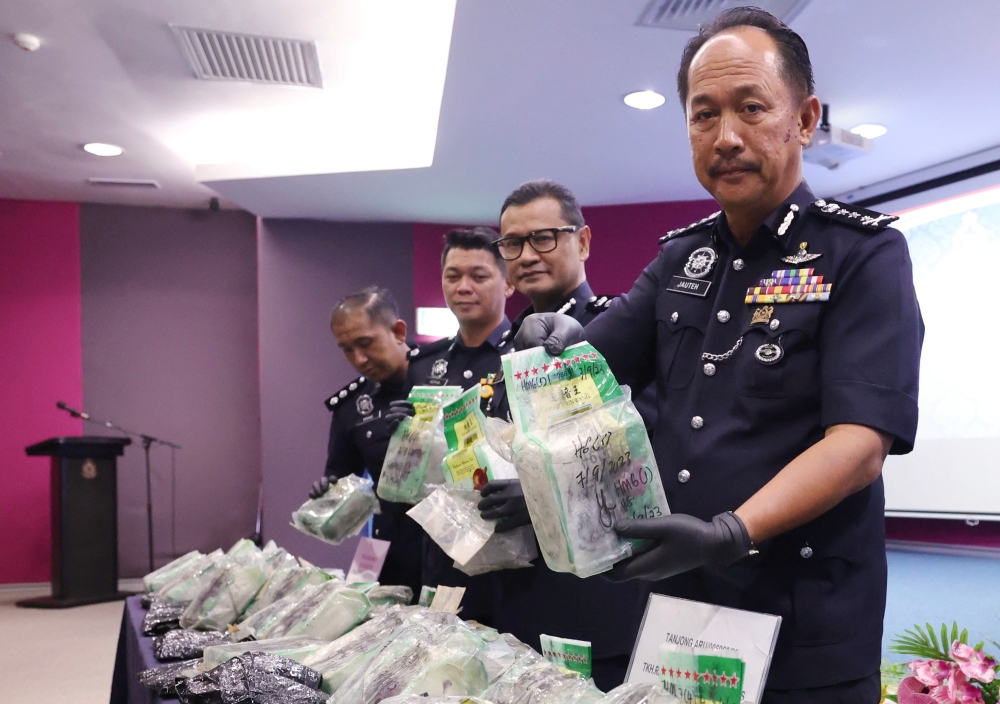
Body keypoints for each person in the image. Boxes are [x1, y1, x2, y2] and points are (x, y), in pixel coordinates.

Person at [514, 9, 923, 703]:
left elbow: (858, 445)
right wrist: (550, 350)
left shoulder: (863, 253)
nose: (726, 136)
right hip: (682, 615)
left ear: (804, 118)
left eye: (752, 108)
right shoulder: (681, 257)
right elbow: (592, 371)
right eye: (704, 116)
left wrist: (732, 531)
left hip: (803, 624)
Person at [477, 180, 650, 692]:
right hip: (516, 585)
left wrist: (538, 496)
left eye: (544, 238)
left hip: (593, 590)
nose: (527, 255)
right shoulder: (505, 347)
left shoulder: (619, 330)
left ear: (584, 242)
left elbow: (634, 457)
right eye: (512, 243)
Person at [386, 227, 515, 624]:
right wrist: (405, 437)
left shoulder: (523, 356)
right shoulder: (425, 364)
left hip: (506, 547)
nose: (463, 287)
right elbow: (414, 476)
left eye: (479, 276)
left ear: (508, 284)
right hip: (439, 546)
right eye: (452, 276)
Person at [312, 286, 432, 599]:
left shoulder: (441, 377)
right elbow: (342, 480)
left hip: (451, 550)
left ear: (399, 331)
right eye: (347, 349)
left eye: (365, 344)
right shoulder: (352, 407)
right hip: (390, 554)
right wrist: (329, 495)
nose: (359, 359)